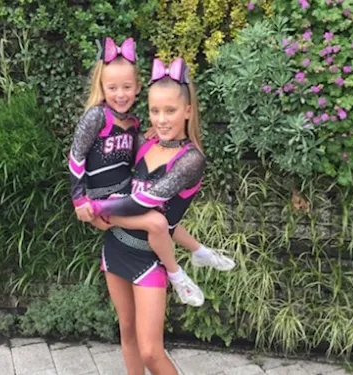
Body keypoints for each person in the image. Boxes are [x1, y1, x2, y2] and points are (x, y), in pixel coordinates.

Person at [69, 37, 235, 307]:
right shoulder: (97, 116)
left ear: (136, 88)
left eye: (127, 87)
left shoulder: (135, 125)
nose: (120, 94)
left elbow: (142, 185)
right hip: (104, 203)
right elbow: (76, 156)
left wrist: (152, 136)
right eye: (112, 87)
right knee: (156, 222)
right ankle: (177, 273)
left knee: (162, 221)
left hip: (118, 198)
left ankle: (199, 251)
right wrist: (81, 200)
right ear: (101, 86)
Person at [82, 56, 212, 374]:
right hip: (115, 248)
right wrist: (86, 194)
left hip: (149, 258)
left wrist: (98, 209)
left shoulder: (191, 160)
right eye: (155, 111)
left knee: (152, 352)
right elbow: (107, 166)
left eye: (170, 111)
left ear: (188, 111)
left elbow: (144, 201)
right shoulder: (144, 141)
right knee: (127, 332)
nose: (162, 119)